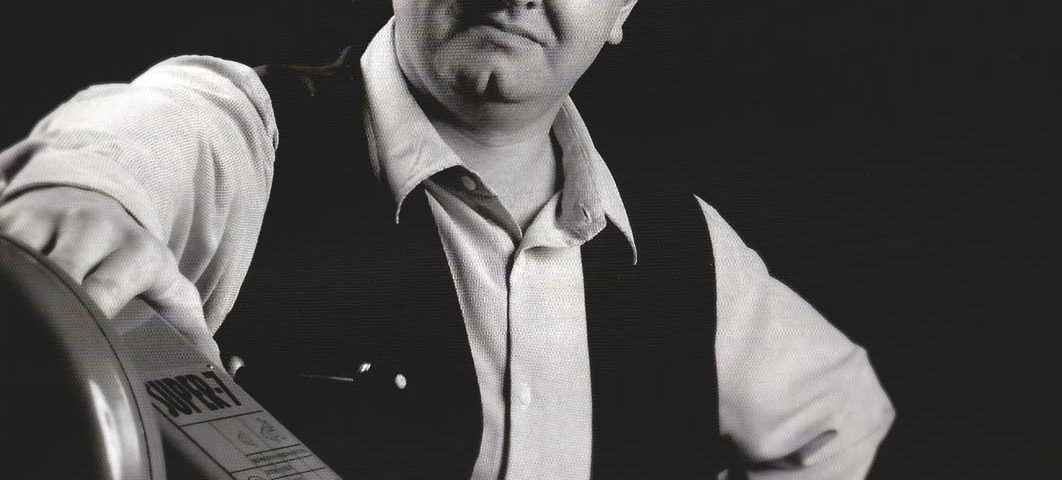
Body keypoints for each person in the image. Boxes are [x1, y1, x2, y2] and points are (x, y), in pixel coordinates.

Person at [0, 0, 895, 478]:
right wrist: (80, 195)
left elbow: (839, 418)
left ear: (623, 9)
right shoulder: (244, 130)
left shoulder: (682, 246)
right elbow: (124, 143)